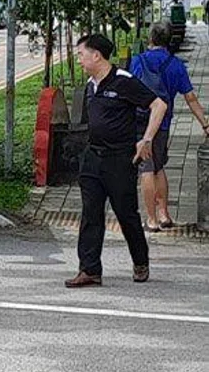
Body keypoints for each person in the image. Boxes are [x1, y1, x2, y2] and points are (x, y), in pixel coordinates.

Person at [66, 34, 167, 288]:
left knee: (125, 213)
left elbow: (159, 105)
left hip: (119, 159)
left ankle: (140, 261)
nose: (78, 59)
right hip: (93, 157)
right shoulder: (91, 84)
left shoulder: (123, 81)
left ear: (96, 55)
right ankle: (89, 269)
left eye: (81, 54)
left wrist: (146, 140)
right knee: (90, 213)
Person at [130, 22, 209, 231]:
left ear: (150, 39)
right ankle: (165, 214)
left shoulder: (138, 61)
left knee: (145, 168)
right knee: (159, 166)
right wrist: (205, 124)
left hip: (140, 122)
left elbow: (127, 91)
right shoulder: (176, 65)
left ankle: (152, 219)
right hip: (163, 123)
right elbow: (191, 98)